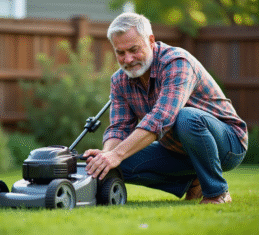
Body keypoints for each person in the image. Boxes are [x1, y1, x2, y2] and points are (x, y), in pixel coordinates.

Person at [83, 12, 248, 204]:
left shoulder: (176, 62)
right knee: (113, 166)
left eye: (134, 49)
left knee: (187, 118)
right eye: (121, 53)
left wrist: (116, 154)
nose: (128, 59)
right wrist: (107, 154)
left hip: (228, 144)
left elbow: (161, 118)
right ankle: (192, 181)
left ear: (151, 40)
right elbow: (119, 127)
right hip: (177, 150)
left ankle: (217, 192)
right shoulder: (119, 80)